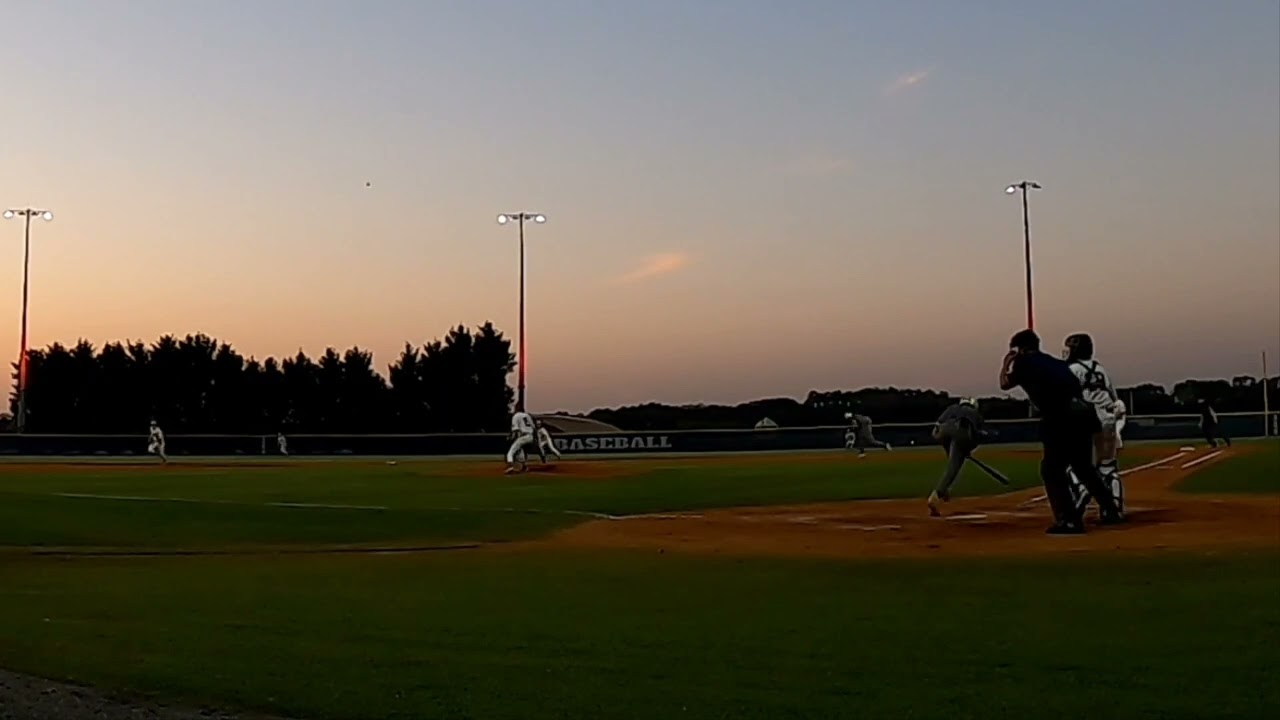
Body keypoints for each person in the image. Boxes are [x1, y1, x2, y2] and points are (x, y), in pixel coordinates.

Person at [1000, 329, 1124, 534]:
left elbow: (1004, 384)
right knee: (1083, 468)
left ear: (1020, 349)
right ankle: (1110, 510)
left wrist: (1007, 363)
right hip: (1085, 415)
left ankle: (1069, 520)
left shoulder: (1023, 362)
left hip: (1060, 418)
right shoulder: (1055, 362)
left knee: (1052, 470)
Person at [1062, 333, 1125, 516]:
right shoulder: (1100, 369)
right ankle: (1113, 509)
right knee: (1108, 466)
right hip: (1108, 417)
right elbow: (1113, 397)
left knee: (1073, 464)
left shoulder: (1071, 370)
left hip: (1086, 418)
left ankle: (1081, 488)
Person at [927, 398, 985, 517]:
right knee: (954, 465)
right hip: (959, 430)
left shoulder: (952, 408)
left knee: (952, 458)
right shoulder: (974, 413)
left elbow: (938, 424)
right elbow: (976, 435)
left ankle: (944, 489)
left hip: (939, 432)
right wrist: (966, 449)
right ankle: (937, 495)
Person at [506, 404, 537, 474]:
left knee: (511, 452)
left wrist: (511, 437)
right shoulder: (527, 415)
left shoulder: (516, 416)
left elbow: (515, 430)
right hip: (530, 436)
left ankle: (510, 466)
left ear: (517, 409)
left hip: (523, 436)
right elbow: (534, 428)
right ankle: (524, 467)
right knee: (521, 450)